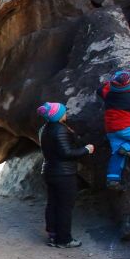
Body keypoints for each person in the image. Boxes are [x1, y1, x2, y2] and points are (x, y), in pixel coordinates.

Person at [37, 102, 94, 248]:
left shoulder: (44, 129)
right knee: (64, 207)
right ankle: (64, 239)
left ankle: (53, 235)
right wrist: (86, 149)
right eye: (63, 111)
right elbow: (66, 153)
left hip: (50, 171)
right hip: (63, 174)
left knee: (53, 204)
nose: (66, 113)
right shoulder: (59, 130)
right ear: (58, 115)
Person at [96, 70, 130, 190]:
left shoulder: (108, 93)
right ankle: (127, 148)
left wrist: (108, 83)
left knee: (116, 153)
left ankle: (113, 180)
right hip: (127, 127)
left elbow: (99, 90)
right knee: (126, 143)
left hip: (111, 129)